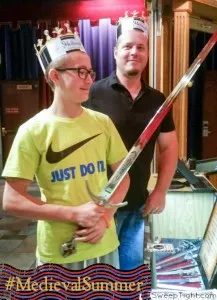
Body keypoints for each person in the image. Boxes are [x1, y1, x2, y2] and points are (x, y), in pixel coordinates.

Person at [2, 24, 130, 270]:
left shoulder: (102, 123)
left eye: (90, 72)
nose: (89, 80)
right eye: (80, 71)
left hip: (104, 243)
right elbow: (12, 201)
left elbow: (123, 177)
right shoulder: (32, 131)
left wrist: (105, 219)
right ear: (55, 76)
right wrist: (74, 214)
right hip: (59, 252)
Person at [86, 13, 178, 270]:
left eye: (140, 47)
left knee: (130, 275)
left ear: (147, 53)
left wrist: (160, 191)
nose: (133, 52)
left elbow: (169, 147)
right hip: (98, 207)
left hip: (137, 204)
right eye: (127, 46)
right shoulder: (92, 93)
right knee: (97, 278)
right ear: (115, 51)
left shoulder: (158, 100)